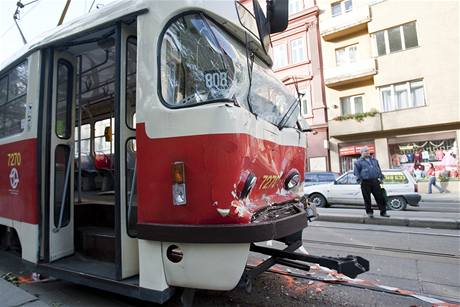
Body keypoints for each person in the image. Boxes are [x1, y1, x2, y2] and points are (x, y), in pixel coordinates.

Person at [353, 146, 389, 218]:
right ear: (361, 153)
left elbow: (378, 169)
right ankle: (369, 212)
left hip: (375, 181)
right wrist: (360, 180)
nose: (367, 152)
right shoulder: (358, 162)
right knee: (367, 198)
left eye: (368, 151)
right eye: (365, 151)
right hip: (365, 182)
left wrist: (381, 176)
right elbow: (356, 173)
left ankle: (383, 212)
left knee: (379, 197)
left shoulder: (374, 160)